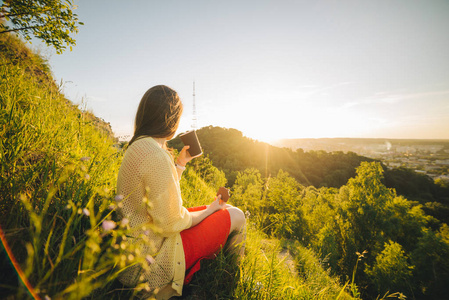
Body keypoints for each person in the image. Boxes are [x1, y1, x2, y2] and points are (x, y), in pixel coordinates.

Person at [116, 85, 246, 299]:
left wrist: (180, 165)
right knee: (237, 215)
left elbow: (158, 194)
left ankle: (225, 274)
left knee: (226, 209)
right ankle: (232, 280)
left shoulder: (138, 146)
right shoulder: (156, 155)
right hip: (153, 259)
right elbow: (171, 222)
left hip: (135, 252)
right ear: (171, 118)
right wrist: (211, 209)